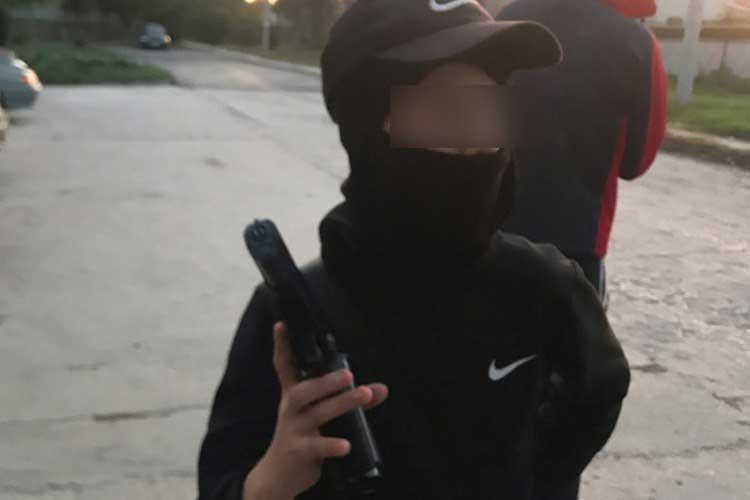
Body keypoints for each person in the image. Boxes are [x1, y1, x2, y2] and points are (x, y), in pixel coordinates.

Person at [197, 1, 630, 500]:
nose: (476, 144)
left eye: (490, 108)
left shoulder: (543, 286)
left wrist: (530, 477)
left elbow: (599, 393)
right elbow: (224, 480)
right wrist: (272, 479)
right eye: (449, 111)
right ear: (369, 124)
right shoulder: (293, 319)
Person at [498, 0, 668, 304]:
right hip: (578, 240)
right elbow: (637, 161)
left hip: (497, 229)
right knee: (575, 332)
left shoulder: (502, 21)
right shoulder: (637, 42)